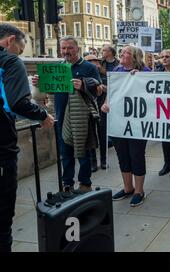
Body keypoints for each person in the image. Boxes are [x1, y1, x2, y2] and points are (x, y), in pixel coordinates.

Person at [0, 23, 54, 252]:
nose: (20, 55)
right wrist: (42, 115)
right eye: (20, 49)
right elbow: (17, 102)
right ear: (10, 40)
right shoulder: (10, 61)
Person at [32, 36, 101, 193]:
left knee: (83, 153)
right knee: (65, 154)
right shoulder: (58, 67)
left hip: (82, 118)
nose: (66, 51)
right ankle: (67, 184)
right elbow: (50, 90)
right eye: (63, 48)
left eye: (69, 48)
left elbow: (99, 89)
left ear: (77, 49)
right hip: (61, 115)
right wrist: (40, 83)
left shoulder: (89, 67)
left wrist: (84, 85)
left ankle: (85, 183)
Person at [101, 45, 151, 207]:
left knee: (136, 155)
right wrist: (106, 103)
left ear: (135, 56)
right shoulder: (117, 70)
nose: (122, 54)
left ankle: (139, 191)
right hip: (119, 122)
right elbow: (112, 93)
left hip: (137, 123)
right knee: (122, 155)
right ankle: (128, 187)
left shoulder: (146, 72)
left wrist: (139, 79)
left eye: (126, 52)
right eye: (121, 52)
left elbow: (152, 96)